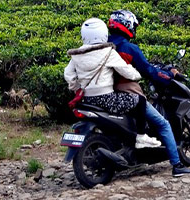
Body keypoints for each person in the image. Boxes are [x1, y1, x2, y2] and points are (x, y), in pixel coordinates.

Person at [107, 9, 190, 177]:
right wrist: (170, 75)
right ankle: (177, 165)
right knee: (163, 124)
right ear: (127, 26)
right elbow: (149, 71)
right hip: (127, 93)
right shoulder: (128, 48)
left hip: (106, 94)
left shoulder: (103, 46)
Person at [64, 18, 162, 149]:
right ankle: (141, 137)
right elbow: (126, 71)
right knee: (139, 101)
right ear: (103, 33)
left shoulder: (77, 54)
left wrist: (76, 87)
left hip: (86, 100)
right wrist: (137, 75)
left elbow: (68, 74)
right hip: (106, 99)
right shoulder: (108, 52)